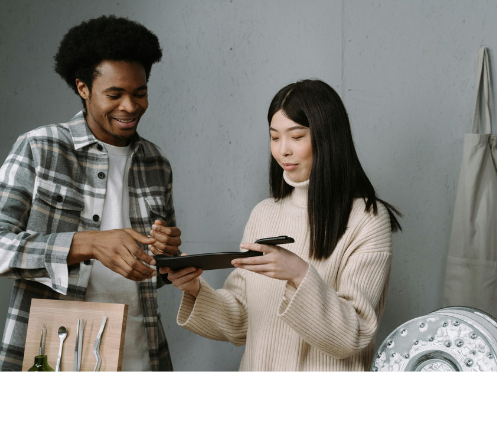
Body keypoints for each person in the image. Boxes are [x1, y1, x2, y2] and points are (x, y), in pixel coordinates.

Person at [0, 15, 182, 372]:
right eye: (114, 94)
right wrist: (87, 243)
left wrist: (166, 256)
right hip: (57, 357)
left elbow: (154, 274)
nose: (130, 106)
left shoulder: (156, 163)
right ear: (83, 88)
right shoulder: (41, 148)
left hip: (143, 356)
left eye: (139, 93)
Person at [161, 79, 402, 371]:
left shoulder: (366, 218)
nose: (283, 150)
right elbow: (242, 321)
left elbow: (351, 336)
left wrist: (300, 274)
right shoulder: (264, 213)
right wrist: (195, 289)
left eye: (296, 136)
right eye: (275, 137)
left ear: (328, 137)